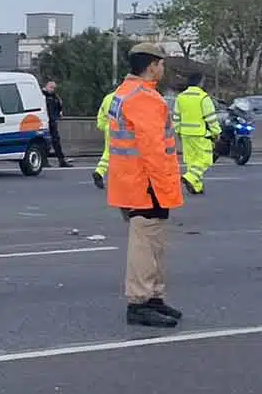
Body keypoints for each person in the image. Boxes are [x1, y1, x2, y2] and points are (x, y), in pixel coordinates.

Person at [105, 42, 185, 328]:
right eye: (161, 63)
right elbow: (152, 149)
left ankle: (153, 297)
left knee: (153, 242)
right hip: (146, 182)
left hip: (131, 180)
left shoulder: (123, 94)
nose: (163, 68)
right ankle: (139, 301)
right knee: (145, 243)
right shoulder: (145, 98)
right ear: (151, 65)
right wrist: (165, 186)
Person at [174, 72, 220, 194]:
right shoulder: (203, 97)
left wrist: (178, 130)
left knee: (192, 160)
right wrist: (216, 132)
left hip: (185, 134)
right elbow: (211, 118)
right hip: (200, 134)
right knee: (205, 159)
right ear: (200, 82)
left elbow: (176, 117)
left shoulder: (181, 97)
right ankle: (190, 177)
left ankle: (196, 186)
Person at [41, 81, 70, 167]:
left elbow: (59, 106)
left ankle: (62, 161)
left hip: (52, 121)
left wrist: (59, 113)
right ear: (46, 86)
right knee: (44, 142)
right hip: (44, 121)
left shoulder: (55, 97)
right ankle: (44, 161)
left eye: (54, 88)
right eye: (51, 87)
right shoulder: (41, 95)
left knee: (56, 141)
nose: (52, 89)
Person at [92, 89, 116, 188]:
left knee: (108, 152)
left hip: (109, 128)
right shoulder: (125, 97)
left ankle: (99, 172)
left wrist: (103, 126)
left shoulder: (108, 97)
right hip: (122, 130)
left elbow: (101, 115)